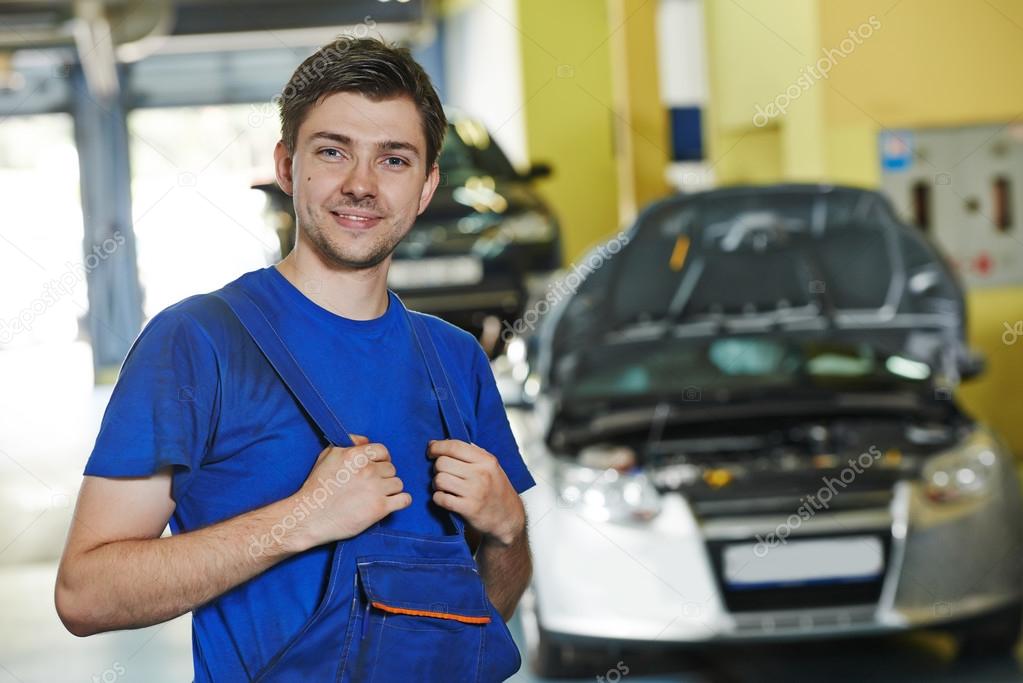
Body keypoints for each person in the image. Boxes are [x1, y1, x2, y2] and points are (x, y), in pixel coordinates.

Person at [55, 36, 535, 681]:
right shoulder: (195, 342)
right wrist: (300, 520)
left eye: (393, 160)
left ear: (426, 186)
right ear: (287, 167)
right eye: (333, 152)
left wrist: (508, 531)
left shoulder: (455, 360)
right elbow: (85, 595)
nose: (360, 185)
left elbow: (479, 619)